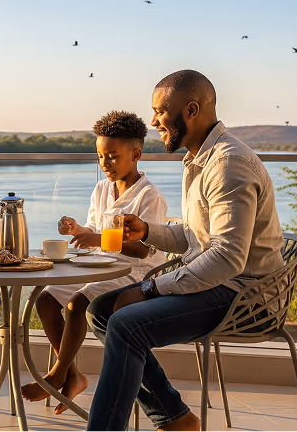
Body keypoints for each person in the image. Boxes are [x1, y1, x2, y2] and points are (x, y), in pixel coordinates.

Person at [85, 70, 284, 432]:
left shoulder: (227, 164)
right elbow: (198, 238)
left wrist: (149, 288)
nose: (153, 120)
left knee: (126, 324)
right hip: (221, 284)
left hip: (245, 296)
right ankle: (175, 419)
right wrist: (148, 231)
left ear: (191, 110)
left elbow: (227, 257)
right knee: (100, 310)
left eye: (160, 110)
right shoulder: (200, 160)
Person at [21, 111, 167, 413]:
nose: (105, 163)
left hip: (134, 275)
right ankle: (73, 375)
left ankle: (57, 373)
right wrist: (79, 230)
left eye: (112, 156)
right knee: (46, 298)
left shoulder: (149, 197)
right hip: (101, 266)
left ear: (136, 154)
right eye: (100, 156)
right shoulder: (101, 190)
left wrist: (99, 239)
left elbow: (143, 251)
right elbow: (94, 230)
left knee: (77, 302)